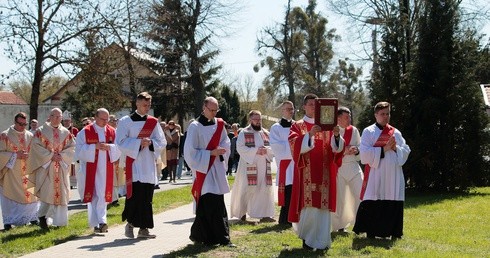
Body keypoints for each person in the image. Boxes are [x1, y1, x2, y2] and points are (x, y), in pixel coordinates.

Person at [353, 101, 411, 239]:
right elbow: (364, 154)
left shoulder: (395, 132)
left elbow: (406, 150)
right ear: (376, 115)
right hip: (376, 173)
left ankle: (394, 232)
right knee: (374, 200)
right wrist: (384, 149)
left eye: (388, 113)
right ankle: (372, 232)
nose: (386, 117)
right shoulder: (368, 131)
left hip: (393, 174)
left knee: (392, 199)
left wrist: (396, 148)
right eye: (382, 114)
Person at [184, 96, 234, 247]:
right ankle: (220, 238)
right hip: (203, 171)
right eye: (211, 110)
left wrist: (221, 152)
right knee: (210, 203)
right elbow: (190, 152)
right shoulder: (195, 126)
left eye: (216, 110)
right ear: (203, 108)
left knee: (215, 203)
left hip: (217, 169)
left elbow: (226, 142)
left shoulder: (220, 125)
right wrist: (210, 154)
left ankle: (201, 235)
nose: (214, 113)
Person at [288, 94, 336, 251]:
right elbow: (293, 145)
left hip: (324, 173)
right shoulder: (298, 125)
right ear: (304, 107)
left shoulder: (326, 125)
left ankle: (322, 241)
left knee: (322, 207)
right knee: (309, 206)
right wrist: (308, 135)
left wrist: (336, 135)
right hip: (306, 174)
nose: (313, 107)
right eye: (309, 105)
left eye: (315, 105)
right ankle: (308, 240)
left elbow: (336, 149)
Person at [115, 92, 166, 239]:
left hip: (148, 165)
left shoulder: (153, 122)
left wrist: (150, 143)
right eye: (145, 105)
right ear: (137, 104)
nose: (147, 108)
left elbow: (161, 141)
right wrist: (138, 143)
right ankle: (130, 225)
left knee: (147, 198)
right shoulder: (126, 121)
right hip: (134, 165)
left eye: (149, 105)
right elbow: (120, 142)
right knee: (134, 197)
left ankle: (144, 229)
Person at [75, 108, 121, 233]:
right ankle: (97, 223)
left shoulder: (112, 131)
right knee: (94, 195)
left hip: (105, 169)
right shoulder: (85, 132)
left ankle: (102, 221)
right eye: (103, 119)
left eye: (107, 119)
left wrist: (109, 147)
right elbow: (78, 150)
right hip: (90, 168)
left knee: (102, 195)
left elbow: (119, 147)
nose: (106, 122)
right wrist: (94, 147)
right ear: (95, 117)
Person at [30, 108, 76, 230]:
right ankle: (42, 216)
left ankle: (60, 222)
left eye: (59, 116)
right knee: (47, 193)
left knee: (62, 194)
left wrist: (61, 156)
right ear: (49, 116)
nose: (57, 118)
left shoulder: (66, 133)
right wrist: (51, 156)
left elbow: (72, 148)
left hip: (60, 167)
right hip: (47, 167)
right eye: (55, 116)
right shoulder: (41, 131)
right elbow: (35, 147)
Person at [230, 110, 275, 223]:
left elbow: (273, 148)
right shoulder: (244, 132)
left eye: (259, 119)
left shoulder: (266, 133)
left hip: (264, 166)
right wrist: (256, 151)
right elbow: (240, 148)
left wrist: (266, 150)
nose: (258, 121)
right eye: (255, 119)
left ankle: (265, 214)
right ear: (250, 120)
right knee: (246, 189)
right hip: (248, 166)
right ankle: (242, 214)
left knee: (264, 189)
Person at [0, 112, 38, 230]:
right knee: (10, 194)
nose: (22, 126)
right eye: (20, 124)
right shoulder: (5, 135)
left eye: (24, 124)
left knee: (31, 194)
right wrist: (15, 155)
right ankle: (9, 221)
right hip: (12, 173)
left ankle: (32, 218)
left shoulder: (30, 136)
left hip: (28, 171)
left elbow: (36, 152)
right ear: (14, 122)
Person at [330, 107, 363, 232]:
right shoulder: (333, 131)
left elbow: (360, 146)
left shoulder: (354, 130)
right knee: (340, 198)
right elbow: (330, 149)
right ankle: (340, 226)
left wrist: (356, 150)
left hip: (354, 166)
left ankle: (360, 224)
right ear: (338, 118)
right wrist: (344, 151)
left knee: (360, 194)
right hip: (339, 167)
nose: (349, 119)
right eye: (346, 117)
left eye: (349, 117)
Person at [269, 101, 295, 226]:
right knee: (287, 192)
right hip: (285, 165)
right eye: (287, 109)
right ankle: (285, 219)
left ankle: (296, 217)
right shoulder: (276, 128)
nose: (290, 111)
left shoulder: (298, 126)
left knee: (296, 191)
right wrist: (294, 148)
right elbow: (276, 147)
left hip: (297, 164)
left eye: (292, 109)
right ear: (282, 111)